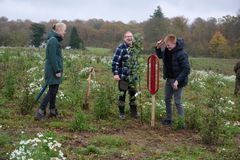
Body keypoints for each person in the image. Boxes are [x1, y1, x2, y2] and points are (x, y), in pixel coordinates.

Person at [155, 34, 190, 126]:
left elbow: (186, 69)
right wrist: (158, 47)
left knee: (177, 101)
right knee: (167, 99)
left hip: (178, 80)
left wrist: (177, 81)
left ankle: (181, 123)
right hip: (169, 79)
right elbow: (160, 56)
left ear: (174, 43)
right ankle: (169, 119)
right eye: (166, 45)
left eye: (168, 45)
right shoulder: (167, 50)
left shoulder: (182, 53)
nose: (167, 47)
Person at [35, 22, 67, 120]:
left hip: (54, 70)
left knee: (54, 90)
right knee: (52, 91)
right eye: (64, 31)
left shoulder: (54, 40)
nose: (65, 33)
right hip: (53, 70)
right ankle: (40, 112)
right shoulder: (53, 41)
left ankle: (53, 111)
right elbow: (52, 57)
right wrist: (57, 70)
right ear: (59, 30)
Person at [112, 31, 138, 120]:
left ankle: (134, 113)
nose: (129, 38)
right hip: (123, 76)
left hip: (133, 77)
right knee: (122, 95)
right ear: (124, 38)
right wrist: (115, 74)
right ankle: (122, 113)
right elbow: (115, 62)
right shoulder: (121, 48)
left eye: (130, 36)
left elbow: (136, 62)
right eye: (127, 37)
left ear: (133, 38)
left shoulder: (135, 48)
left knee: (133, 95)